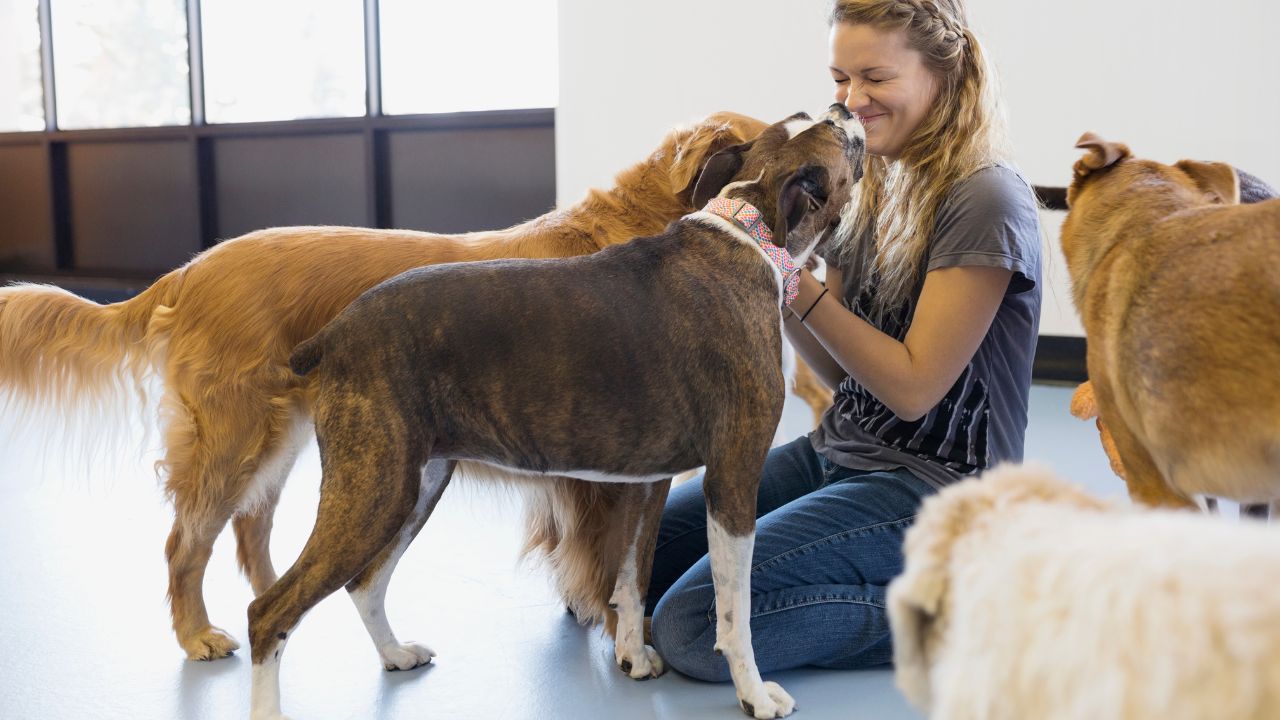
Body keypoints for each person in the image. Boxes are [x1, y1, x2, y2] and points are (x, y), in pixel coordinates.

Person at [646, 0, 1043, 680]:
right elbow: (842, 373)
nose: (851, 101)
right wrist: (768, 269)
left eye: (875, 78)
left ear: (944, 76)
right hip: (841, 450)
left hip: (937, 491)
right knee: (631, 561)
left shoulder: (985, 199)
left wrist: (790, 277)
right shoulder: (874, 181)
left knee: (689, 631)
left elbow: (914, 390)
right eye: (839, 78)